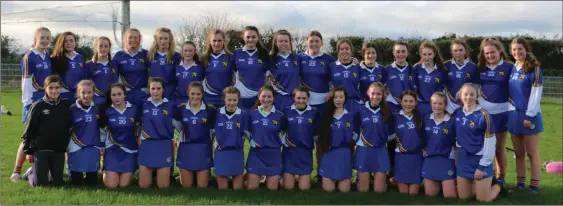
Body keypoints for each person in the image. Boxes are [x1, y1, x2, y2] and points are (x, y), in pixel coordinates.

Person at [12, 27, 52, 182]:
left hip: (45, 100)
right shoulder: (30, 56)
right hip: (32, 101)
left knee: (43, 137)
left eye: (48, 38)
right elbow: (26, 82)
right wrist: (28, 104)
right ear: (36, 38)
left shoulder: (46, 55)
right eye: (42, 37)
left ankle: (33, 169)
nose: (45, 41)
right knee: (28, 138)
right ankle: (16, 171)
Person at [455, 83, 504, 202]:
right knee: (464, 198)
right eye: (465, 94)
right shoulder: (457, 113)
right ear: (461, 96)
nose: (468, 97)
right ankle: (479, 186)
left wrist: (482, 167)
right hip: (464, 159)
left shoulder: (484, 115)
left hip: (480, 160)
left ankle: (499, 185)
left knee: (483, 200)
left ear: (477, 96)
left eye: (472, 94)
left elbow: (491, 143)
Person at [22, 75, 73, 187]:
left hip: (58, 150)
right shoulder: (37, 106)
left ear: (61, 88)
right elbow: (28, 130)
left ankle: (47, 172)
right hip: (41, 149)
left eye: (57, 87)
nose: (54, 91)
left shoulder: (66, 105)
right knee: (40, 184)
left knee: (58, 183)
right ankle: (31, 173)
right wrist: (28, 151)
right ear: (45, 88)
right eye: (51, 88)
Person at [508, 37, 544, 193]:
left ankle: (534, 185)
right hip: (514, 116)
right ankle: (520, 184)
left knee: (532, 153)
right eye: (514, 49)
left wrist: (529, 116)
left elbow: (536, 95)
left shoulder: (535, 68)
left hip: (530, 115)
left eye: (520, 49)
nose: (517, 52)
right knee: (519, 153)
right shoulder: (513, 68)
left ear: (526, 49)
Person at [476, 37, 513, 183]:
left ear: (499, 51)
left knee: (498, 148)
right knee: (483, 147)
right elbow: (475, 88)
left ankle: (501, 179)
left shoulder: (509, 67)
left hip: (501, 113)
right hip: (483, 113)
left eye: (492, 52)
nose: (490, 56)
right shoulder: (480, 68)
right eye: (486, 53)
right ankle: (485, 177)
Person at [174, 81, 216, 188]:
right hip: (186, 148)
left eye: (198, 94)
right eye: (192, 94)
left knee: (202, 186)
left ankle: (205, 175)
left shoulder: (210, 109)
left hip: (203, 149)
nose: (195, 97)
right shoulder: (181, 108)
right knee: (187, 186)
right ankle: (182, 175)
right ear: (188, 93)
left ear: (202, 94)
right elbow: (175, 124)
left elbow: (214, 130)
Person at [138, 77, 177, 188]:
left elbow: (179, 125)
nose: (155, 91)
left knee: (163, 186)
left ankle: (163, 173)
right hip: (147, 144)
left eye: (158, 88)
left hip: (163, 145)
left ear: (163, 90)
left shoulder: (171, 105)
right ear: (149, 89)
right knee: (144, 185)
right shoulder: (143, 104)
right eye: (153, 88)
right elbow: (136, 123)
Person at [246, 85, 287, 190]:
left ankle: (273, 178)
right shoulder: (252, 114)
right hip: (256, 154)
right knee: (251, 187)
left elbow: (285, 132)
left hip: (273, 154)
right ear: (259, 97)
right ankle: (246, 177)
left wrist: (280, 142)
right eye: (263, 96)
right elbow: (246, 131)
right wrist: (252, 141)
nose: (266, 99)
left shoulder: (280, 116)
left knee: (272, 189)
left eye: (269, 97)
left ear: (273, 98)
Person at [317, 86, 358, 192]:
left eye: (341, 97)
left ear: (345, 98)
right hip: (329, 153)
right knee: (328, 190)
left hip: (344, 154)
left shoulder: (350, 116)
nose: (338, 100)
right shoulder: (325, 116)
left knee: (344, 190)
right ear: (331, 99)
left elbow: (355, 135)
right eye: (335, 97)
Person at [100, 83, 140, 188]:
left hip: (130, 150)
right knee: (111, 185)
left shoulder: (134, 110)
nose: (116, 97)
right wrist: (101, 145)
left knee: (123, 185)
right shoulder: (107, 111)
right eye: (113, 95)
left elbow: (139, 129)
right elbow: (102, 130)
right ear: (110, 96)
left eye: (119, 94)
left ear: (125, 95)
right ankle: (106, 169)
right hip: (113, 149)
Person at [355, 82, 392, 193]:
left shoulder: (387, 110)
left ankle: (384, 181)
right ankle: (359, 179)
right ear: (367, 93)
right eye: (373, 93)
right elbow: (355, 130)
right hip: (364, 149)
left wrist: (382, 140)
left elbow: (391, 132)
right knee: (363, 190)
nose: (375, 97)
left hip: (380, 150)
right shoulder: (360, 110)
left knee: (379, 190)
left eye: (379, 94)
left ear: (383, 95)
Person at [281, 86, 319, 190]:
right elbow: (282, 129)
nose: (301, 101)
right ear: (294, 98)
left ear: (308, 99)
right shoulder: (287, 110)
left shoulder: (314, 112)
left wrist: (307, 142)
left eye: (304, 98)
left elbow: (316, 133)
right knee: (288, 188)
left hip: (305, 152)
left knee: (304, 188)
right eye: (298, 98)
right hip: (289, 151)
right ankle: (280, 178)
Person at [67, 80, 104, 186]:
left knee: (92, 183)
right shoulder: (72, 109)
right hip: (75, 147)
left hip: (93, 146)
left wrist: (101, 144)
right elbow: (68, 129)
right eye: (83, 92)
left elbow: (102, 128)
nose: (86, 95)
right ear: (78, 93)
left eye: (89, 92)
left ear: (93, 93)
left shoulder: (98, 108)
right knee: (76, 183)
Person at [421, 92, 457, 198]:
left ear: (445, 105)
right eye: (434, 103)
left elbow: (457, 142)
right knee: (430, 194)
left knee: (450, 197)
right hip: (430, 159)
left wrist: (457, 160)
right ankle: (440, 185)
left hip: (446, 159)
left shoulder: (452, 121)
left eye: (440, 104)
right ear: (431, 104)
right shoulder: (426, 119)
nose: (437, 106)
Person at [213, 86, 249, 190]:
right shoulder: (217, 113)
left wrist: (239, 144)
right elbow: (213, 132)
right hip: (221, 152)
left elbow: (245, 134)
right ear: (224, 99)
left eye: (234, 100)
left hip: (236, 152)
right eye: (229, 100)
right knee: (222, 189)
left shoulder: (243, 115)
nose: (232, 102)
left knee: (237, 189)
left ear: (238, 100)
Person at [391, 90, 424, 195]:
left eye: (411, 101)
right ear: (400, 102)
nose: (408, 104)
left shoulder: (422, 118)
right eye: (405, 101)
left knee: (413, 194)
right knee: (404, 194)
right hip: (401, 156)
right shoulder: (395, 117)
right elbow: (388, 135)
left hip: (417, 157)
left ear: (415, 103)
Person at [233, 26, 270, 111]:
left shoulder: (264, 54)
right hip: (240, 97)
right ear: (243, 37)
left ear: (258, 38)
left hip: (258, 98)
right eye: (248, 37)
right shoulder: (237, 53)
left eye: (253, 37)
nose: (250, 39)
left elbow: (268, 77)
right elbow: (232, 74)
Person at [112, 28, 150, 108]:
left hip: (143, 94)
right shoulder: (118, 55)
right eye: (130, 37)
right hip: (125, 95)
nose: (133, 40)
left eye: (136, 38)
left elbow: (153, 73)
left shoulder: (146, 54)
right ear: (125, 39)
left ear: (140, 39)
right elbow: (114, 77)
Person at [412, 41, 447, 117]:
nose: (427, 57)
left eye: (430, 54)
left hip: (437, 107)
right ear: (420, 54)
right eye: (424, 54)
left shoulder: (441, 70)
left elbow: (445, 89)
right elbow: (413, 89)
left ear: (434, 54)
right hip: (420, 106)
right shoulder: (416, 68)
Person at [201, 29, 235, 108]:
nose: (217, 43)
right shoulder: (204, 58)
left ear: (224, 41)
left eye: (219, 40)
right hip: (209, 98)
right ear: (210, 42)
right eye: (214, 40)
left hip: (227, 98)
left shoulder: (231, 57)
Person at [268, 29, 300, 111]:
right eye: (280, 41)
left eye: (286, 41)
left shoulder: (297, 57)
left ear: (290, 42)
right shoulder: (270, 59)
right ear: (276, 43)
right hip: (277, 99)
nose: (283, 43)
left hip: (295, 99)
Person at [51, 31, 87, 103]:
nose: (68, 43)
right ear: (61, 43)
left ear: (75, 43)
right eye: (65, 41)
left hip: (79, 95)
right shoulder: (55, 59)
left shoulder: (80, 57)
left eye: (71, 40)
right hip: (62, 95)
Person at [148, 27, 181, 101]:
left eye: (166, 38)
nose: (163, 41)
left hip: (170, 92)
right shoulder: (150, 55)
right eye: (160, 38)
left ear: (170, 40)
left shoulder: (176, 56)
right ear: (156, 39)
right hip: (154, 92)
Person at [444, 39, 477, 114]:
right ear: (452, 52)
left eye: (461, 50)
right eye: (455, 50)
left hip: (467, 103)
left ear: (465, 51)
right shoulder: (446, 65)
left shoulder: (473, 67)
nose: (458, 53)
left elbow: (476, 86)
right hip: (450, 104)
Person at [329, 38, 363, 108]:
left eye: (347, 49)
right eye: (342, 49)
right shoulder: (332, 66)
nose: (344, 51)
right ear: (338, 51)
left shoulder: (357, 66)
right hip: (338, 105)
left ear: (351, 50)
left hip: (355, 103)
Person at [86, 36, 118, 108]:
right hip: (96, 100)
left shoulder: (114, 63)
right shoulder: (89, 64)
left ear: (109, 48)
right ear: (96, 47)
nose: (103, 49)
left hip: (112, 98)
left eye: (106, 46)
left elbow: (116, 80)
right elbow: (86, 85)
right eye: (100, 46)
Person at [174, 41, 204, 105]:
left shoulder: (200, 67)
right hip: (178, 100)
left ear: (194, 51)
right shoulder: (176, 66)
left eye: (190, 51)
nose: (188, 53)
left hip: (195, 101)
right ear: (182, 52)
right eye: (185, 51)